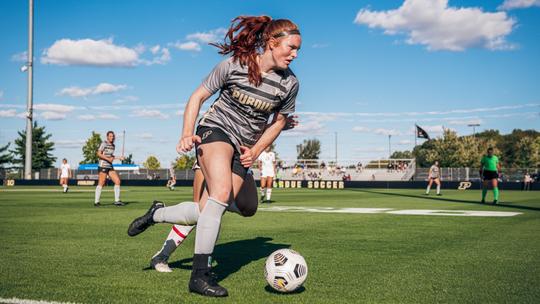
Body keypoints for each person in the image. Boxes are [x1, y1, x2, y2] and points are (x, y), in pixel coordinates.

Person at [127, 15, 301, 297]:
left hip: (244, 146)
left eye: (298, 50)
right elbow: (197, 97)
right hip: (215, 131)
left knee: (234, 208)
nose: (294, 54)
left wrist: (255, 151)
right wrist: (186, 132)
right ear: (271, 43)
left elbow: (280, 121)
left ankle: (156, 213)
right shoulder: (234, 65)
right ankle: (200, 276)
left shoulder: (290, 84)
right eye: (290, 48)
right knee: (218, 195)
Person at [94, 131, 125, 207]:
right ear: (107, 137)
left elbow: (111, 156)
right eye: (110, 136)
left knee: (117, 181)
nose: (112, 137)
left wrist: (119, 158)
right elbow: (99, 154)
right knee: (102, 182)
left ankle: (117, 201)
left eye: (113, 136)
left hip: (110, 166)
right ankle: (96, 201)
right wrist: (108, 159)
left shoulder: (113, 146)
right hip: (103, 165)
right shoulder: (104, 143)